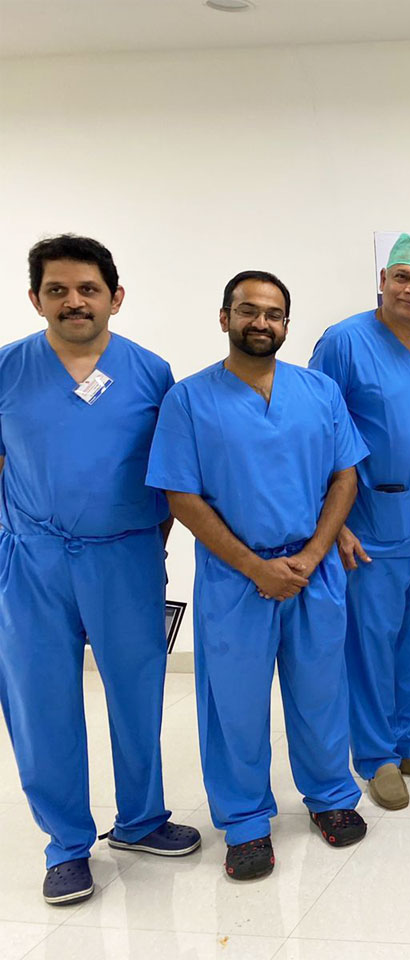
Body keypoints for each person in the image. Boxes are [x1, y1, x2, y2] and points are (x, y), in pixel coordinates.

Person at [147, 270, 369, 882]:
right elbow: (181, 495)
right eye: (248, 310)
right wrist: (254, 566)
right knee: (234, 704)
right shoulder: (189, 400)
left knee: (322, 692)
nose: (261, 322)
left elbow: (345, 476)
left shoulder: (319, 391)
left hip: (312, 570)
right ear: (225, 318)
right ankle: (245, 822)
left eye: (273, 313)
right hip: (235, 577)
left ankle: (330, 796)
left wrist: (315, 554)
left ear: (286, 324)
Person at [0, 235, 200, 906]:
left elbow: (170, 474)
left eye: (87, 289)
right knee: (40, 702)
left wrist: (149, 545)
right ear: (36, 299)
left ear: (115, 297)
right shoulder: (8, 369)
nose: (73, 301)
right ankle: (66, 845)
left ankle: (141, 820)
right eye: (57, 290)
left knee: (138, 693)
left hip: (125, 557)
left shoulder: (150, 372)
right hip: (32, 562)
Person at [310, 234, 410, 811]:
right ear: (383, 279)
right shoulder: (344, 342)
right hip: (369, 526)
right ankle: (377, 756)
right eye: (402, 276)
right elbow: (315, 433)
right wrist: (334, 525)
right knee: (370, 646)